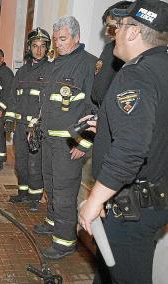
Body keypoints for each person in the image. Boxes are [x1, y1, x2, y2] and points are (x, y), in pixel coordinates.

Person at [79, 1, 168, 283]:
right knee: (107, 273)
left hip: (133, 210)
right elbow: (155, 128)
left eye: (118, 28)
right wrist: (105, 127)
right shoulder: (162, 67)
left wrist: (95, 199)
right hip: (156, 199)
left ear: (132, 32)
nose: (113, 33)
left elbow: (131, 148)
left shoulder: (136, 73)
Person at [33, 16, 97, 260]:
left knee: (64, 192)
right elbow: (47, 105)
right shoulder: (54, 65)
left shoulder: (89, 65)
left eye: (63, 39)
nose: (57, 44)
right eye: (55, 39)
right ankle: (52, 222)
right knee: (49, 185)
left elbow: (95, 109)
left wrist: (84, 142)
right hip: (48, 140)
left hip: (68, 145)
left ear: (76, 38)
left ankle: (64, 241)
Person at [5, 27, 52, 212]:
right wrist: (9, 119)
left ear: (47, 48)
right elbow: (12, 97)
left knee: (35, 165)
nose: (38, 50)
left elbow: (49, 103)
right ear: (29, 48)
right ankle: (22, 193)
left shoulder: (51, 70)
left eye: (42, 46)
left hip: (37, 129)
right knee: (20, 163)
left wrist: (40, 125)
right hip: (20, 127)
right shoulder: (22, 72)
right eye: (35, 46)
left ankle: (35, 197)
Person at [91, 1, 131, 107]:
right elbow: (99, 90)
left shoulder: (139, 57)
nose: (106, 33)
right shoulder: (110, 48)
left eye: (111, 28)